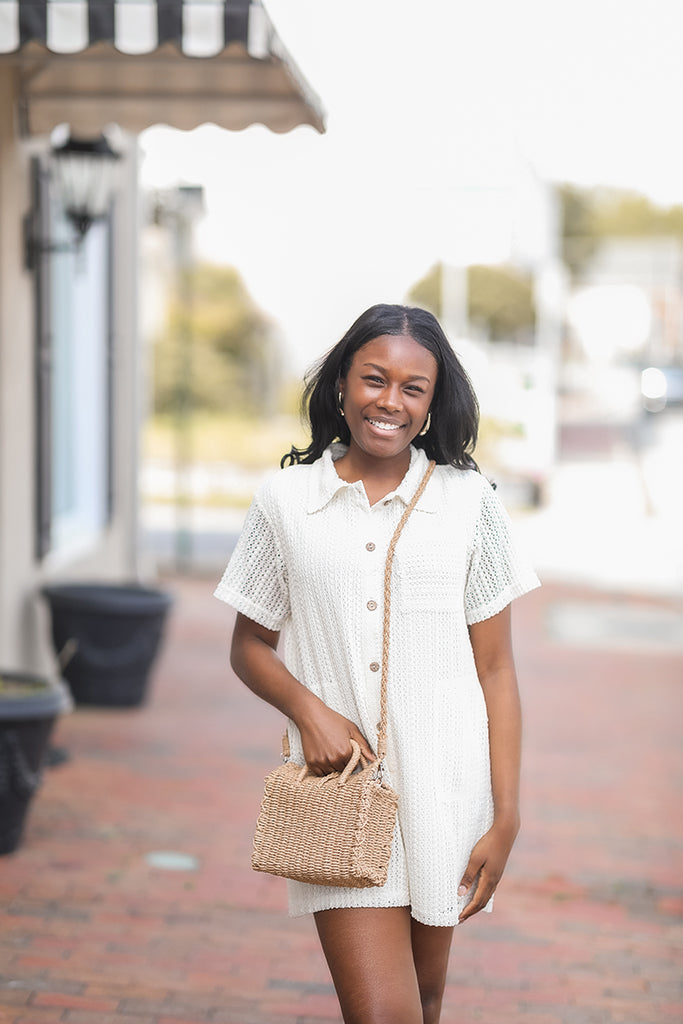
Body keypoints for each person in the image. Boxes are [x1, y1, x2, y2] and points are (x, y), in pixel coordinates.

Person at [215, 303, 540, 1024]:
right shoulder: (286, 500)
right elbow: (247, 647)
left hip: (447, 796)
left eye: (412, 388)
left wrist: (506, 817)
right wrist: (310, 711)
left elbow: (497, 672)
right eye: (372, 379)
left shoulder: (469, 504)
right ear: (340, 387)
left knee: (423, 1003)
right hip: (341, 795)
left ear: (430, 406)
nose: (389, 401)